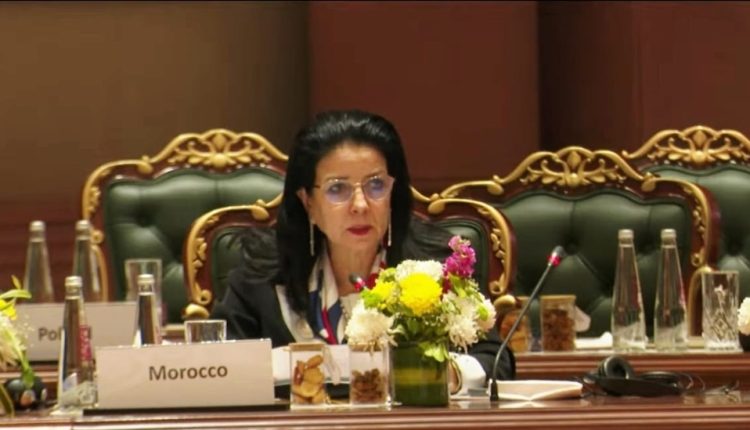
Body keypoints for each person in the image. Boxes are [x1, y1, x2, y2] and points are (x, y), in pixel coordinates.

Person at [211, 109, 515, 394]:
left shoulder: (434, 270)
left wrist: (447, 373)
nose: (359, 205)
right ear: (308, 202)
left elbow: (496, 360)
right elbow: (219, 369)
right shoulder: (260, 277)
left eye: (376, 185)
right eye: (337, 189)